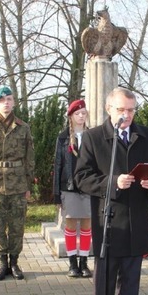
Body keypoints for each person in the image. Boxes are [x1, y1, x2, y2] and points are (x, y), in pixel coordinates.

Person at [75, 87, 148, 295]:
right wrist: (113, 182)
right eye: (121, 110)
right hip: (109, 221)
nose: (126, 115)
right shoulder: (94, 138)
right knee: (105, 279)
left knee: (131, 278)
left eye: (131, 110)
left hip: (137, 218)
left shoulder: (147, 136)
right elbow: (81, 178)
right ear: (109, 110)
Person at [0, 86, 35, 281]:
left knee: (17, 224)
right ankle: (3, 262)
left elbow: (30, 158)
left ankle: (15, 262)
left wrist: (29, 186)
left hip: (18, 183)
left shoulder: (23, 127)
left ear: (14, 102)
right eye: (2, 100)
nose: (7, 103)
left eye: (9, 99)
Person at [53, 99, 93, 278]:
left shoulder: (92, 136)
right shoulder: (62, 138)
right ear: (71, 116)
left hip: (88, 187)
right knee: (70, 224)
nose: (81, 116)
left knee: (86, 224)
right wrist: (56, 194)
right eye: (78, 113)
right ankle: (72, 263)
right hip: (68, 187)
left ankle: (84, 262)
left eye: (84, 113)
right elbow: (58, 165)